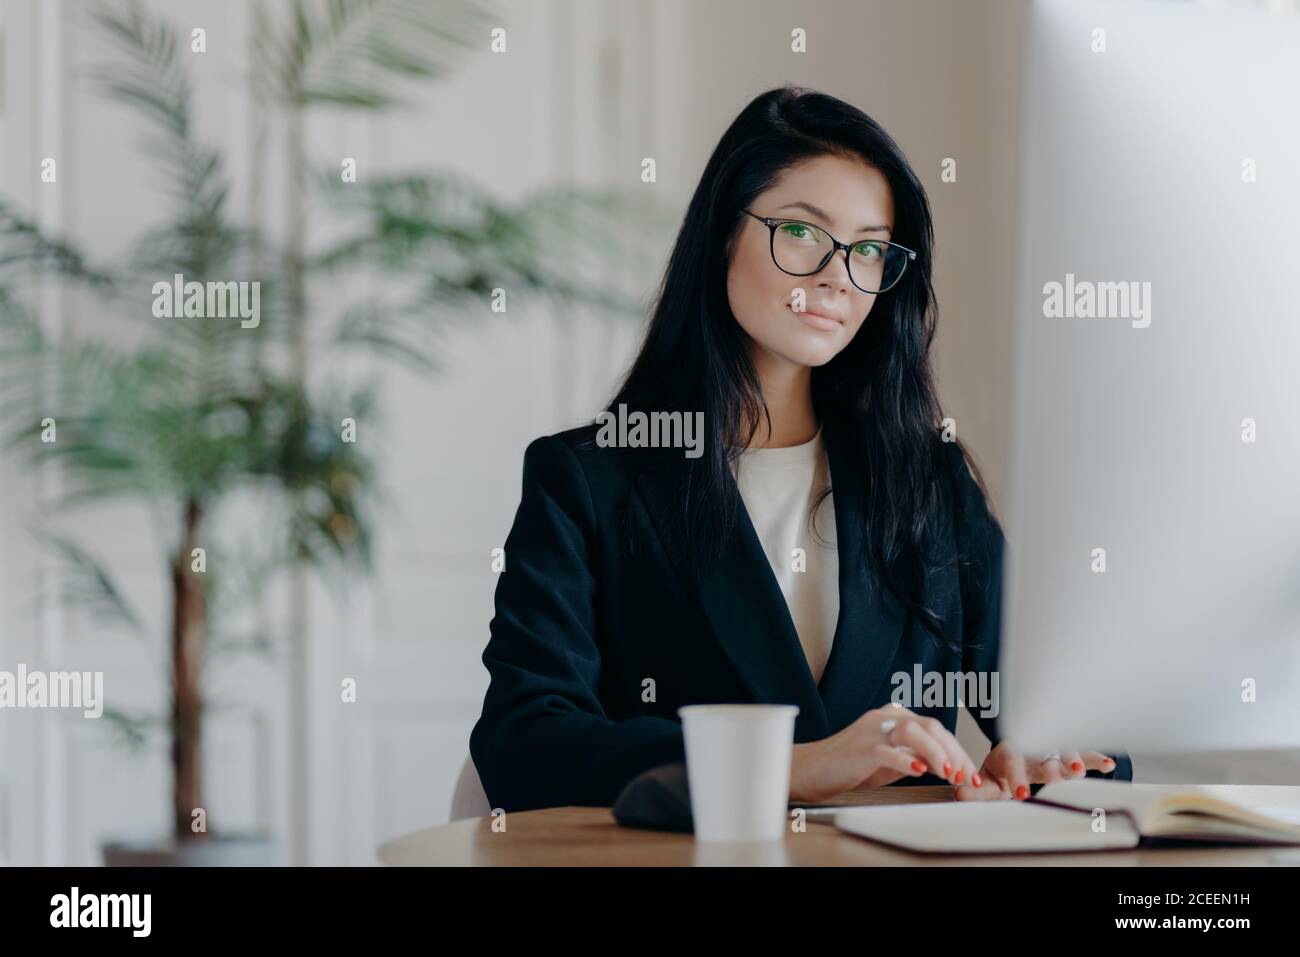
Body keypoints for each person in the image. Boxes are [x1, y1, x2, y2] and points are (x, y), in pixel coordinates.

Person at [470, 85, 1129, 813]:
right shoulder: (588, 480)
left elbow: (1079, 728)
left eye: (869, 249)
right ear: (724, 231)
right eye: (804, 233)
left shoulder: (927, 478)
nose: (835, 277)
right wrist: (788, 766)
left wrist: (1053, 757)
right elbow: (523, 742)